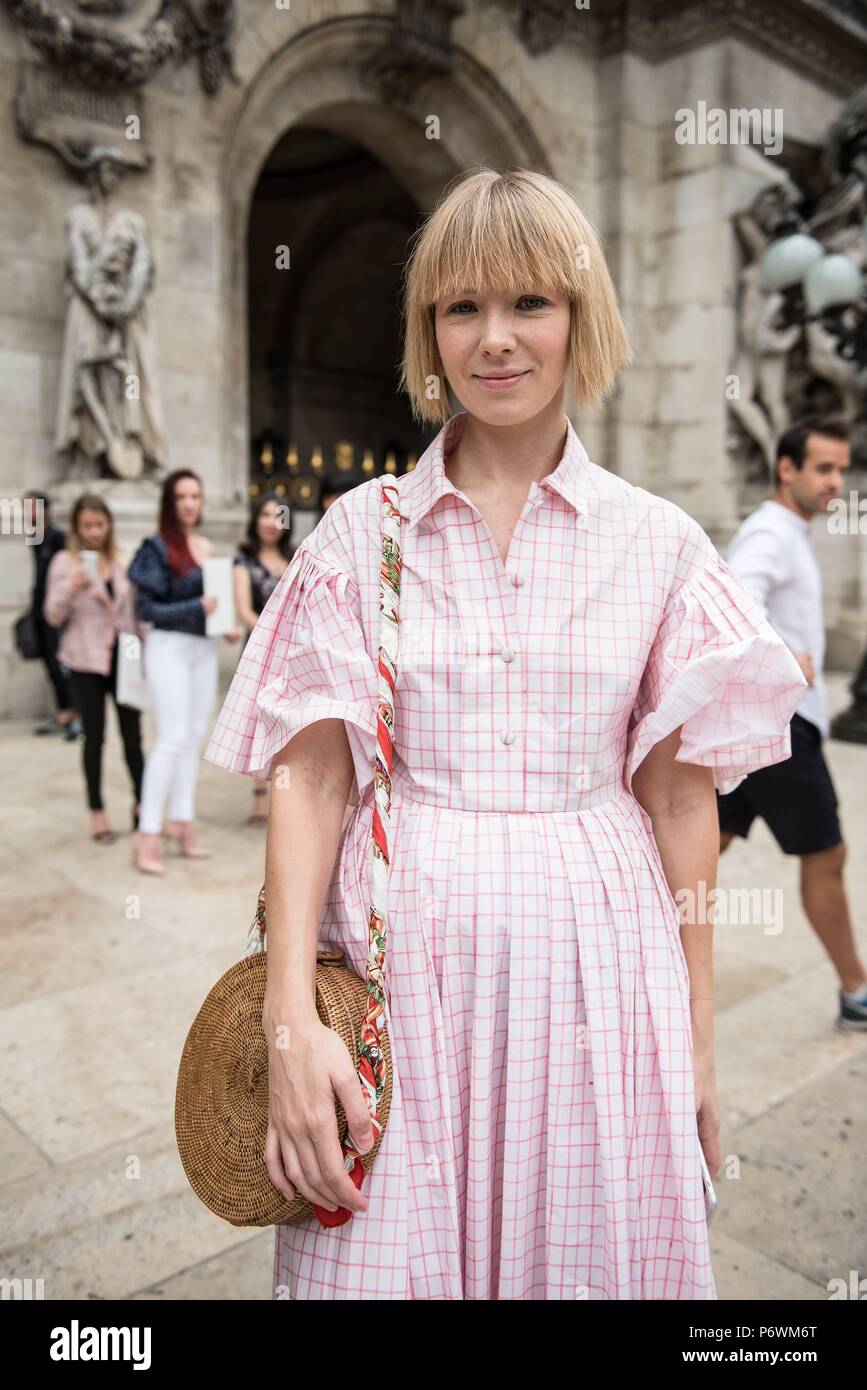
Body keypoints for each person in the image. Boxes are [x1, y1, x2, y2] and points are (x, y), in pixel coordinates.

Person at [203, 168, 807, 1300]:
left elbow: (681, 803)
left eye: (530, 302)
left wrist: (699, 1043)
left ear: (582, 317)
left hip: (601, 972)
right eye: (460, 306)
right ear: (430, 327)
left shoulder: (661, 544)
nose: (495, 339)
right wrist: (289, 1020)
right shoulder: (360, 531)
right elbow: (312, 783)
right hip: (400, 971)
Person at [716, 416, 867, 1032]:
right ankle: (857, 991)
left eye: (840, 468)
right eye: (823, 468)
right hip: (782, 730)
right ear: (787, 469)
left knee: (699, 855)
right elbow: (733, 600)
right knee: (827, 854)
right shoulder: (771, 533)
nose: (836, 481)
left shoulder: (788, 530)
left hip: (758, 726)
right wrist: (782, 654)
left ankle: (633, 975)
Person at [128, 469, 240, 875]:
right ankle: (148, 834)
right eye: (182, 497)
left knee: (193, 737)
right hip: (168, 648)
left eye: (195, 495)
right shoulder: (155, 549)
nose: (190, 503)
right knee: (171, 737)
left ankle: (182, 822)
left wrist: (223, 623)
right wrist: (198, 609)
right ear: (169, 503)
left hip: (201, 648)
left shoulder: (207, 546)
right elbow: (147, 610)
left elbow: (215, 604)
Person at [43, 494, 146, 842]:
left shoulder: (122, 559)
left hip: (125, 657)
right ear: (77, 526)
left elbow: (134, 612)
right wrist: (72, 587)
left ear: (108, 525)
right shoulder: (63, 562)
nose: (94, 532)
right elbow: (52, 615)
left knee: (133, 736)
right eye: (87, 525)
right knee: (94, 738)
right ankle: (97, 812)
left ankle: (142, 806)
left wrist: (145, 650)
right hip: (86, 659)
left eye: (99, 524)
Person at [232, 492, 294, 826]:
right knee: (259, 723)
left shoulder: (296, 557)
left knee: (286, 722)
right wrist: (276, 636)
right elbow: (243, 611)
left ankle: (284, 796)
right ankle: (259, 796)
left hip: (292, 654)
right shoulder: (244, 561)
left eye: (278, 516)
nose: (271, 523)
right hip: (259, 651)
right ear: (256, 520)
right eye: (265, 515)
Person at [21, 493, 80, 739]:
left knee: (60, 665)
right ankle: (63, 712)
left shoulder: (57, 538)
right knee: (49, 664)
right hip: (41, 612)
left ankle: (75, 715)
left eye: (30, 507)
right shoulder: (36, 538)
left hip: (56, 613)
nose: (26, 512)